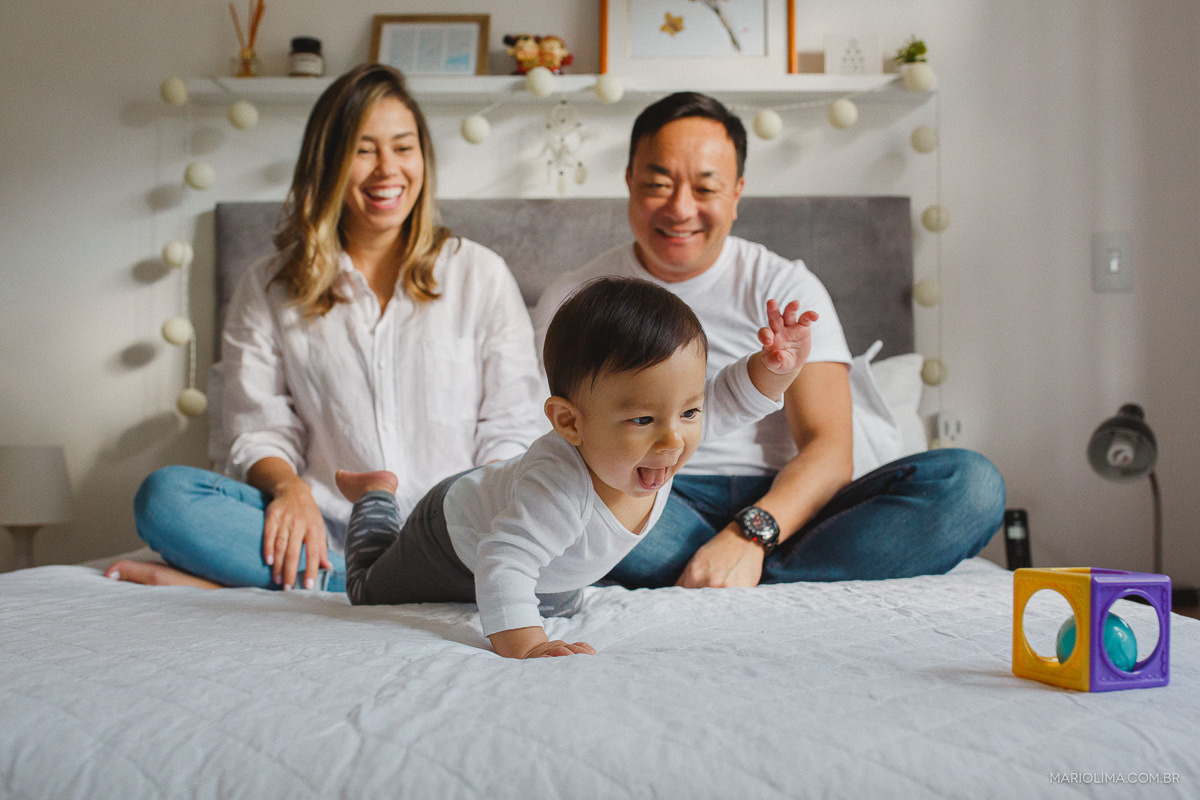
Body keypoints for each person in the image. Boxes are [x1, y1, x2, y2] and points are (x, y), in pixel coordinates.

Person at [532, 91, 1006, 590]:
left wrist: (749, 537)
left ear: (736, 193)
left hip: (788, 507)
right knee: (562, 495)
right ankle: (777, 577)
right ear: (629, 181)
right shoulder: (575, 298)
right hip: (649, 496)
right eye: (657, 184)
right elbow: (566, 438)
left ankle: (736, 570)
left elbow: (829, 450)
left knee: (971, 486)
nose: (680, 208)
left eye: (706, 188)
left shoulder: (785, 287)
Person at [106, 64, 546, 592]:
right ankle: (374, 583)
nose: (388, 169)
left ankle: (319, 585)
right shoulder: (267, 288)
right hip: (324, 532)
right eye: (363, 150)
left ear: (422, 159)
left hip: (450, 533)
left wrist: (472, 524)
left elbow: (512, 428)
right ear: (327, 162)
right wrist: (289, 490)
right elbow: (257, 429)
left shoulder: (480, 274)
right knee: (166, 498)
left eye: (403, 148)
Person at [336, 277, 818, 658]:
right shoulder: (559, 486)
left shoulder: (665, 435)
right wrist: (526, 644)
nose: (673, 440)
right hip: (452, 532)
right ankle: (377, 494)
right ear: (570, 422)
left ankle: (553, 588)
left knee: (556, 591)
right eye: (642, 419)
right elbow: (504, 562)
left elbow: (728, 399)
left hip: (548, 558)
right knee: (369, 591)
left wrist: (777, 368)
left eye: (689, 412)